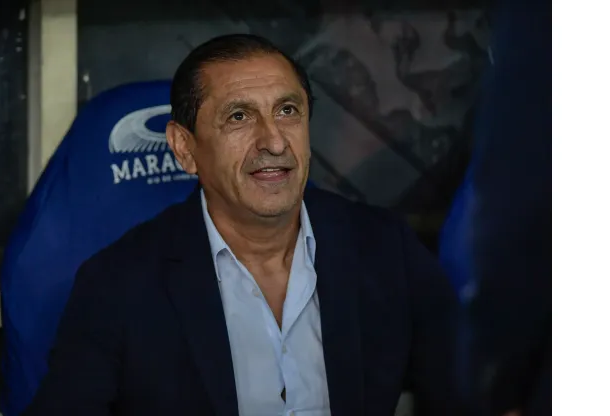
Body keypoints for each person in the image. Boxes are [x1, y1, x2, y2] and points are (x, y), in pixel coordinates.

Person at [25, 34, 463, 416]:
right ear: (184, 147)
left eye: (288, 110)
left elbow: (465, 393)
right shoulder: (118, 284)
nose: (273, 141)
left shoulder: (385, 250)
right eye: (239, 116)